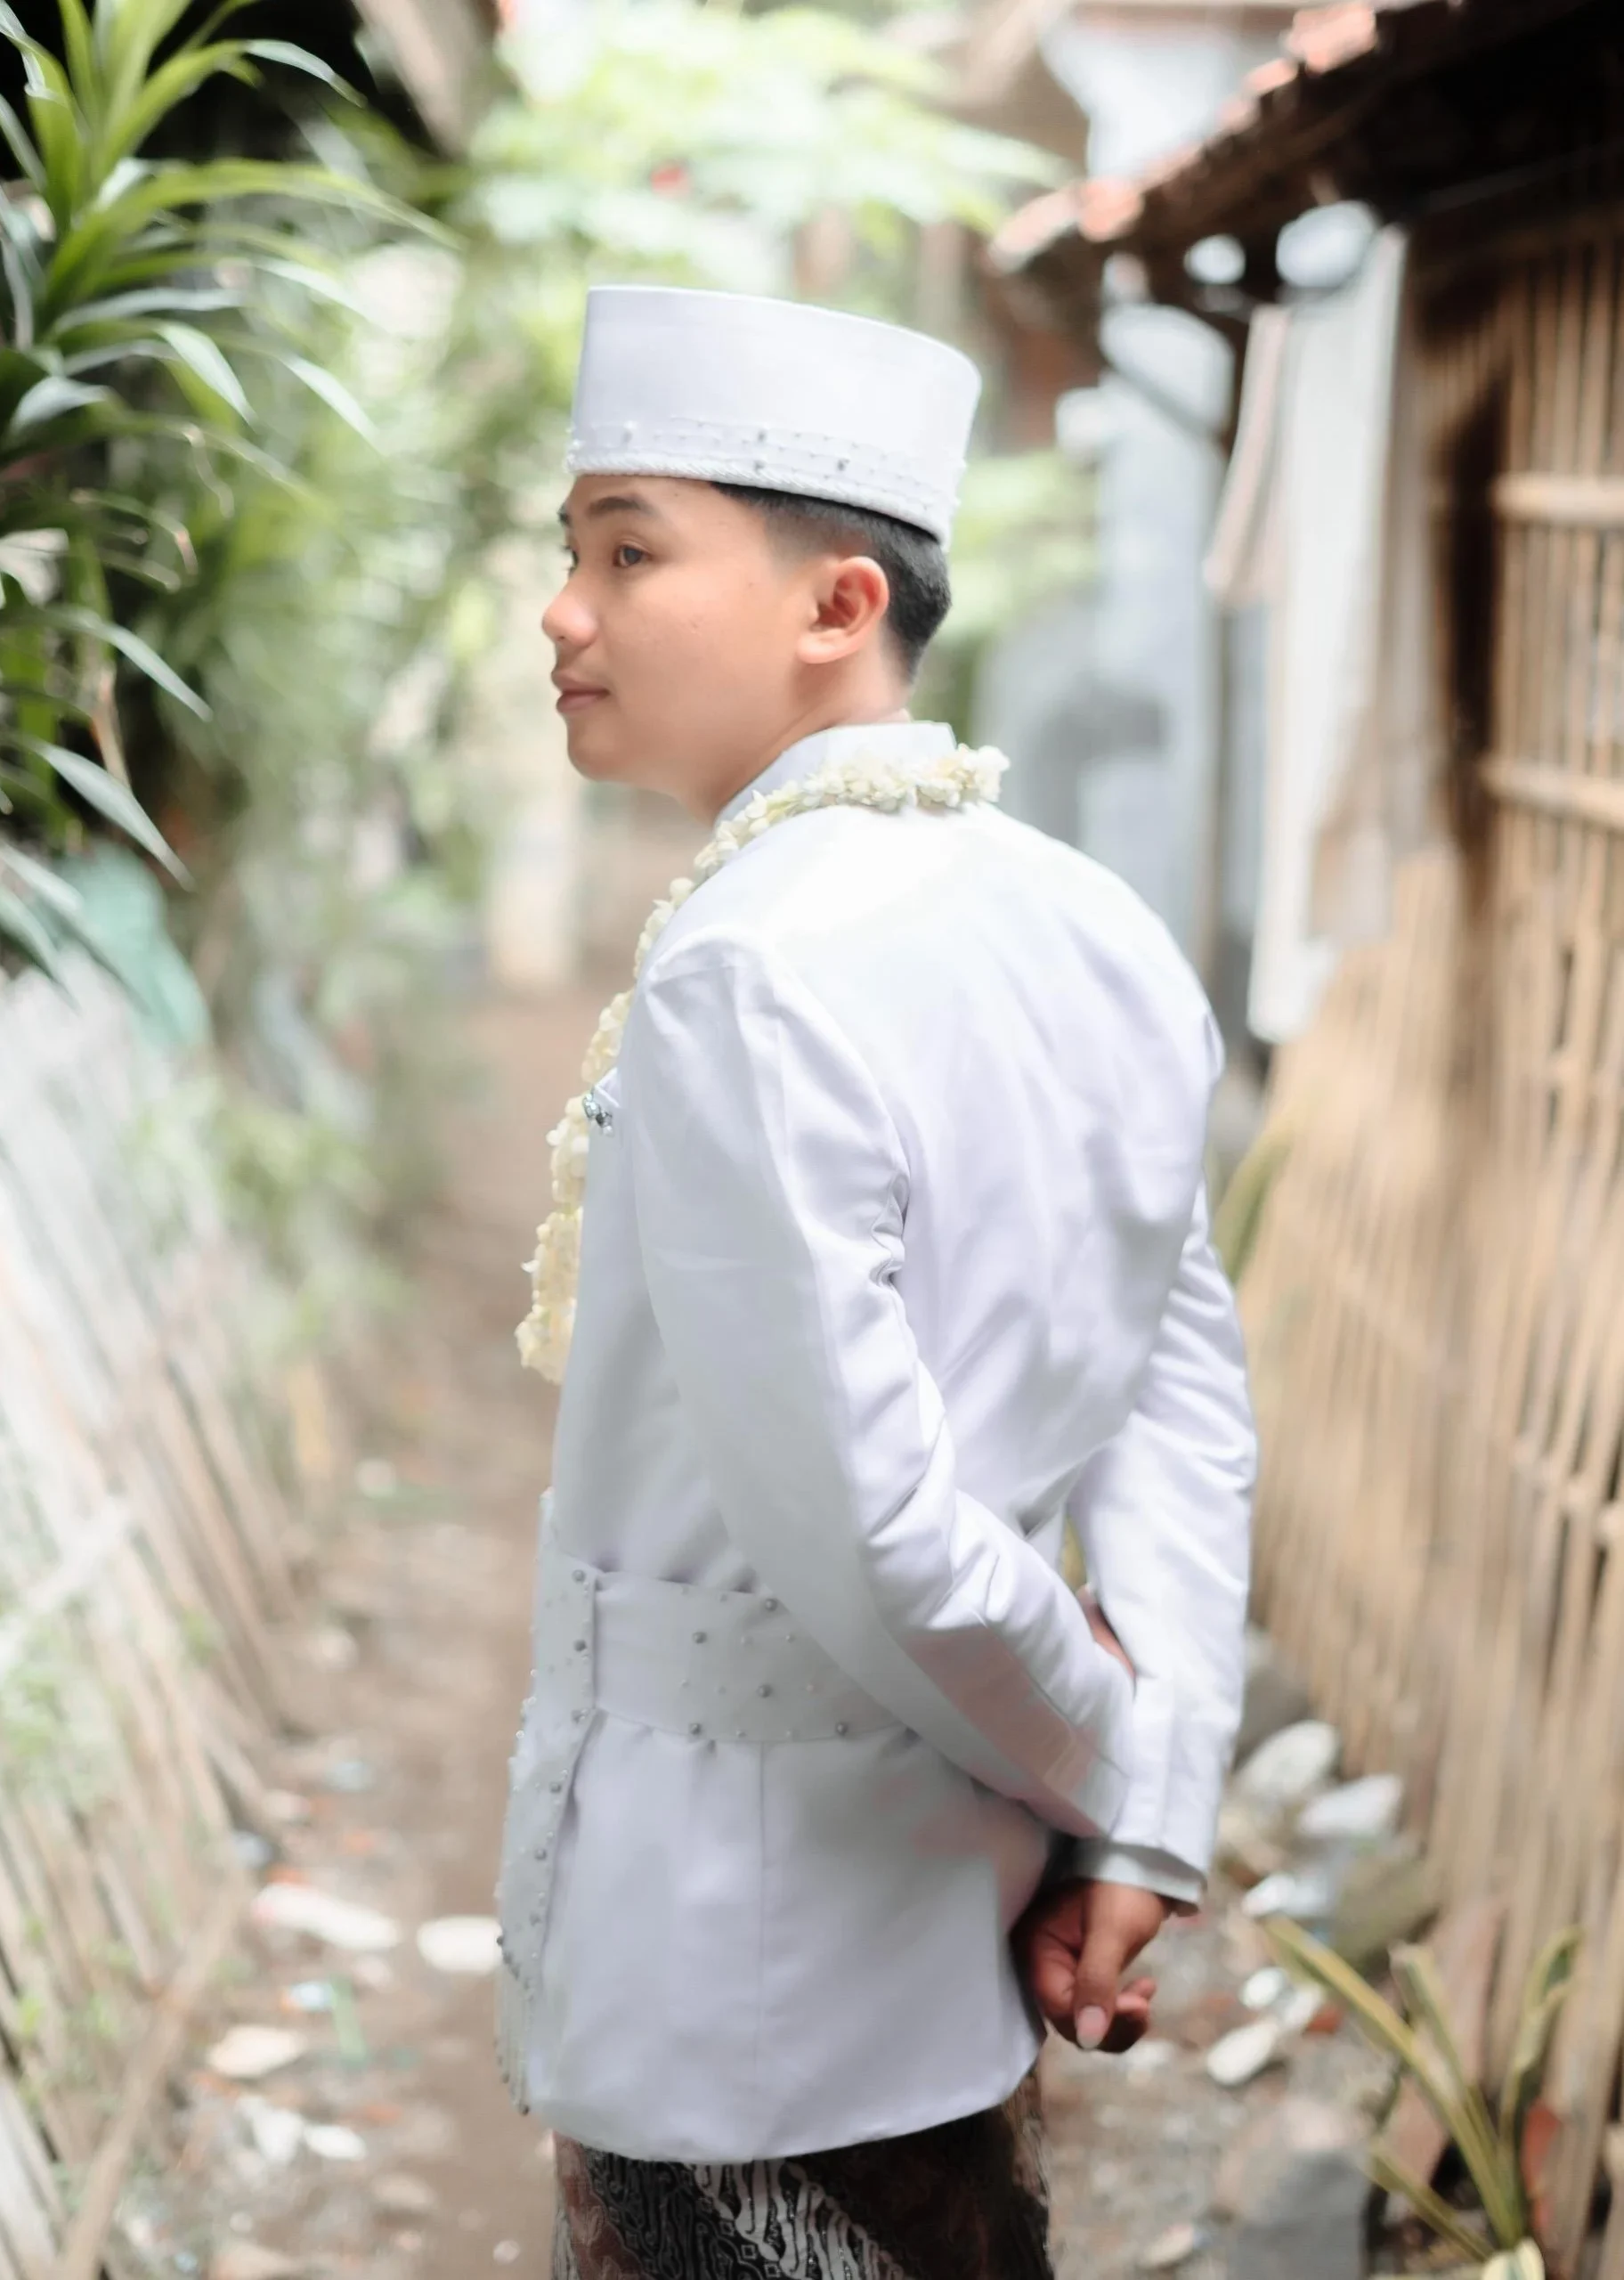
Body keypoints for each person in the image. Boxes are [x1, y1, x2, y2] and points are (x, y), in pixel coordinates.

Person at [496, 283, 1256, 2280]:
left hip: (735, 1941)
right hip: (962, 1902)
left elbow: (880, 1532)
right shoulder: (1093, 921)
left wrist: (1112, 1763)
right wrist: (1139, 1815)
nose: (561, 613)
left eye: (628, 551)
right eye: (571, 552)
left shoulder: (746, 965)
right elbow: (1177, 1398)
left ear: (837, 604)